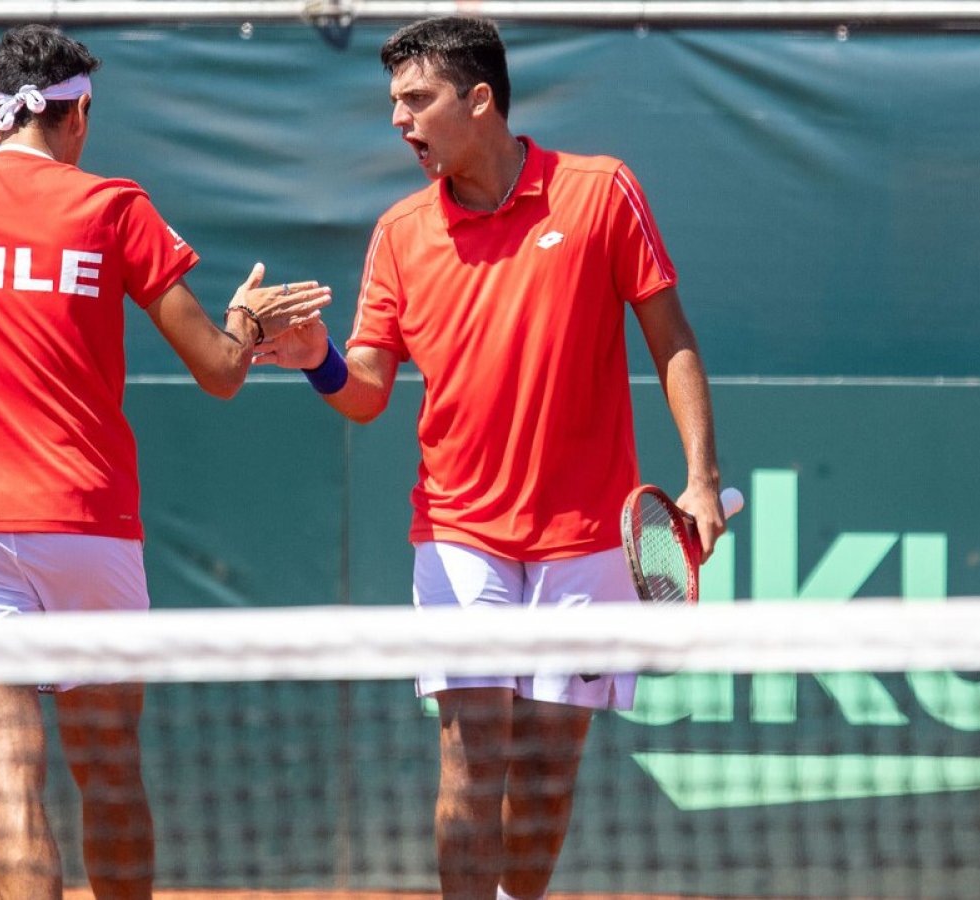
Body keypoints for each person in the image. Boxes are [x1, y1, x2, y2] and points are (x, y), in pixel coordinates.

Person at [0, 24, 329, 900]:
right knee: (108, 776)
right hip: (87, 528)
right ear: (80, 116)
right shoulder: (112, 207)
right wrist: (248, 324)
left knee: (7, 778)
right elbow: (220, 371)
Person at [258, 15, 725, 900]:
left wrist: (701, 476)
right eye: (392, 102)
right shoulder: (399, 232)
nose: (400, 119)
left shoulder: (600, 191)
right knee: (472, 758)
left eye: (417, 99)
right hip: (459, 531)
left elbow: (672, 339)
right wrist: (317, 357)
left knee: (546, 774)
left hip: (588, 534)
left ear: (479, 99)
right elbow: (366, 391)